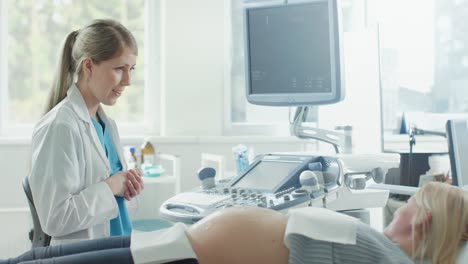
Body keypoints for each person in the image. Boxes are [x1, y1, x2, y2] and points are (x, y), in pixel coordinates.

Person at [3, 182, 467, 263]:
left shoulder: (387, 259)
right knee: (42, 257)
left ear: (423, 222)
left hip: (185, 257)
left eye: (412, 204)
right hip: (177, 243)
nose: (398, 207)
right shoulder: (379, 245)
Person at [28, 19, 144, 245]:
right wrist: (110, 187)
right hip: (89, 254)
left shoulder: (107, 125)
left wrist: (127, 188)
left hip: (119, 247)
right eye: (120, 69)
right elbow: (55, 219)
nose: (128, 81)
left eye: (131, 69)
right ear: (88, 66)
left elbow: (113, 208)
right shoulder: (60, 127)